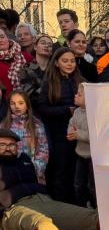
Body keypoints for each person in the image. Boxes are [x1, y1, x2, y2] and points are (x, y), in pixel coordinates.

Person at [0, 129, 98, 230]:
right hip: (11, 208)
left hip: (40, 200)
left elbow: (30, 182)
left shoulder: (23, 159)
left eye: (12, 145)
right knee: (35, 221)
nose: (8, 148)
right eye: (2, 145)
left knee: (88, 217)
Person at [36, 48, 82, 204]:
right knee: (60, 172)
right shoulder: (50, 82)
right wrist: (65, 110)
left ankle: (77, 206)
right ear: (56, 63)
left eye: (72, 61)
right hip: (59, 135)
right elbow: (42, 108)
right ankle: (62, 206)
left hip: (79, 135)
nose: (70, 64)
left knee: (76, 173)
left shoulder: (80, 80)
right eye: (65, 61)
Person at [1, 90, 47, 183]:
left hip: (33, 173)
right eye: (12, 103)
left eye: (21, 103)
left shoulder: (37, 125)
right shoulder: (3, 125)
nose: (16, 106)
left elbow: (43, 149)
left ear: (27, 105)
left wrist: (34, 168)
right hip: (8, 174)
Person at [66, 83, 95, 208]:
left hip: (92, 158)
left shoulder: (94, 114)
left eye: (79, 95)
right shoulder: (77, 112)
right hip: (80, 155)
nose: (75, 96)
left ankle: (94, 209)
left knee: (93, 186)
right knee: (78, 184)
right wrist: (71, 132)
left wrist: (78, 135)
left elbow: (94, 136)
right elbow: (71, 125)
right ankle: (81, 208)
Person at [0, 31, 32, 103]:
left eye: (2, 37)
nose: (0, 40)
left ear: (7, 38)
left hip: (28, 102)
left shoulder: (25, 56)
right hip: (5, 105)